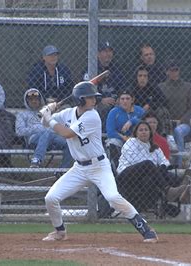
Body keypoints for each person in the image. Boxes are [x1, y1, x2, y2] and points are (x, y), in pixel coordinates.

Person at [39, 81, 158, 243]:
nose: (94, 100)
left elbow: (67, 133)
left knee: (113, 197)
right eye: (90, 97)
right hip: (79, 168)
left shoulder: (92, 116)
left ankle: (145, 229)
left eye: (94, 97)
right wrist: (47, 111)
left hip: (99, 166)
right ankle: (60, 232)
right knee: (51, 198)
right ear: (80, 100)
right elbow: (45, 123)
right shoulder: (67, 113)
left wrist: (50, 118)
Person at [116, 122, 188, 211]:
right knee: (148, 164)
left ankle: (181, 192)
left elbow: (165, 162)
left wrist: (162, 166)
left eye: (146, 130)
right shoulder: (131, 142)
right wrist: (154, 167)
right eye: (141, 130)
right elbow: (133, 161)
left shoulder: (155, 147)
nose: (144, 132)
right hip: (126, 174)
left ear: (150, 132)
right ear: (136, 133)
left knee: (162, 170)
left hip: (146, 177)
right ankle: (167, 191)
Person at [15, 88, 72, 168]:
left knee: (69, 143)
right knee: (46, 132)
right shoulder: (22, 114)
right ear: (27, 101)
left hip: (52, 138)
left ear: (40, 100)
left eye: (36, 99)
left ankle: (63, 170)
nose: (34, 101)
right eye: (31, 100)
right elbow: (19, 131)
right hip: (34, 139)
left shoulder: (47, 111)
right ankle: (36, 159)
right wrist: (36, 128)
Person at [158, 60, 191, 167]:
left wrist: (182, 120)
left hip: (183, 123)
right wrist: (166, 120)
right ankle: (166, 164)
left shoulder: (188, 87)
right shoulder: (161, 87)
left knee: (178, 131)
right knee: (167, 132)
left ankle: (179, 164)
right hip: (166, 123)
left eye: (176, 70)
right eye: (172, 70)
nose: (174, 73)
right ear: (167, 72)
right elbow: (160, 106)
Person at [82, 41, 127, 130]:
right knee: (104, 109)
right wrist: (101, 100)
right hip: (97, 102)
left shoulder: (117, 68)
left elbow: (123, 87)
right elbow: (84, 91)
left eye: (110, 51)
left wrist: (119, 98)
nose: (108, 54)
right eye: (105, 51)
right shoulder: (90, 69)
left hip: (115, 101)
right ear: (98, 54)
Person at [105, 89, 145, 171]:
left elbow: (146, 124)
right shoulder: (114, 112)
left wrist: (132, 121)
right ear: (119, 100)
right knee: (112, 142)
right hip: (121, 140)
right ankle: (116, 168)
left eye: (127, 98)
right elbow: (110, 132)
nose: (125, 101)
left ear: (132, 100)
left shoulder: (139, 110)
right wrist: (124, 138)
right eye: (122, 99)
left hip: (137, 140)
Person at [132, 65, 171, 135]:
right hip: (135, 113)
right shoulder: (131, 88)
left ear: (148, 78)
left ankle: (165, 135)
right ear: (136, 77)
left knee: (163, 110)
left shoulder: (153, 87)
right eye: (140, 76)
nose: (142, 78)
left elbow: (164, 100)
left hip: (151, 113)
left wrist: (150, 105)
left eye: (145, 76)